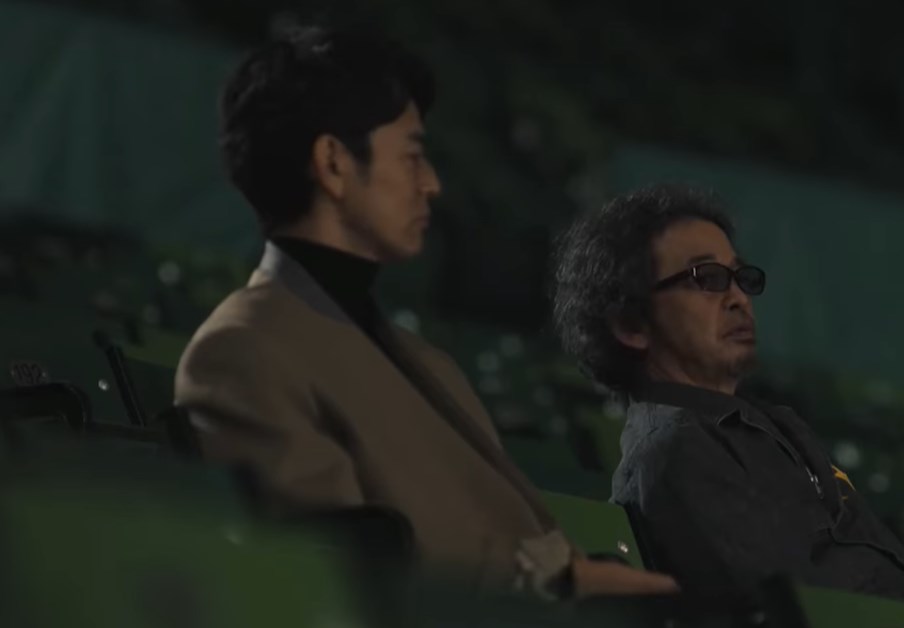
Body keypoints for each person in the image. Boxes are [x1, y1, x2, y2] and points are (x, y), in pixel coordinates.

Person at [174, 24, 677, 600]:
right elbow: (336, 566)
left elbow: (528, 541)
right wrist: (555, 580)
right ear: (334, 164)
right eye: (412, 157)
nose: (432, 184)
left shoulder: (428, 364)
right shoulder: (241, 352)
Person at [550, 184, 904, 611]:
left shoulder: (772, 426)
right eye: (707, 278)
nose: (738, 298)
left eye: (740, 278)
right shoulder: (676, 450)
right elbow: (797, 607)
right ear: (630, 325)